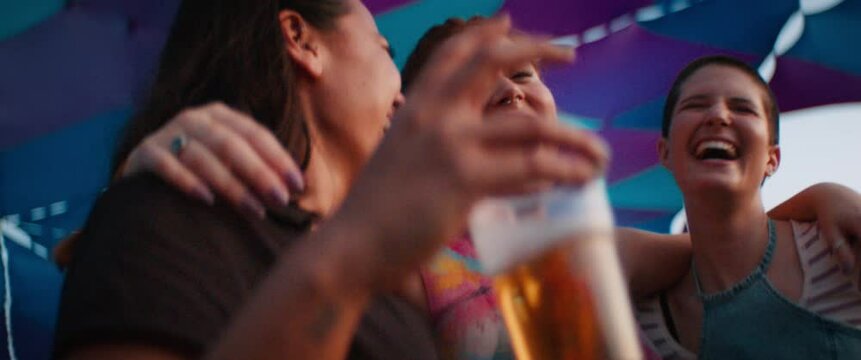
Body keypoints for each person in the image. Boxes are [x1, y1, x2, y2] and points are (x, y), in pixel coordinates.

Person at [112, 16, 861, 360]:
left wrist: (822, 197)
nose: (508, 87)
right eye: (474, 79)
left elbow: (716, 239)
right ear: (415, 115)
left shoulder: (579, 245)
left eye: (524, 73)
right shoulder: (379, 243)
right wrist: (157, 161)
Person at [52, 2, 609, 359]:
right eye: (384, 51)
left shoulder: (389, 287)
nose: (403, 94)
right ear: (301, 39)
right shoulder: (172, 222)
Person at [635, 55, 861, 358]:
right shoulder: (640, 318)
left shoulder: (839, 250)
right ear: (665, 153)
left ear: (772, 159)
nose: (717, 115)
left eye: (743, 108)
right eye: (695, 105)